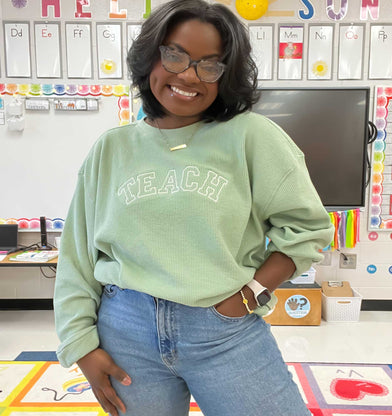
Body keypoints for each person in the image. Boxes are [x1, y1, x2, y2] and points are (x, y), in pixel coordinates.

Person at [54, 1, 334, 415]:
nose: (188, 74)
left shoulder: (253, 137)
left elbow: (308, 229)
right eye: (174, 54)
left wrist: (248, 296)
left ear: (227, 76)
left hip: (224, 330)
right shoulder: (111, 149)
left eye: (210, 64)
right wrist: (79, 343)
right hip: (125, 330)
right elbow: (77, 255)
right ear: (151, 56)